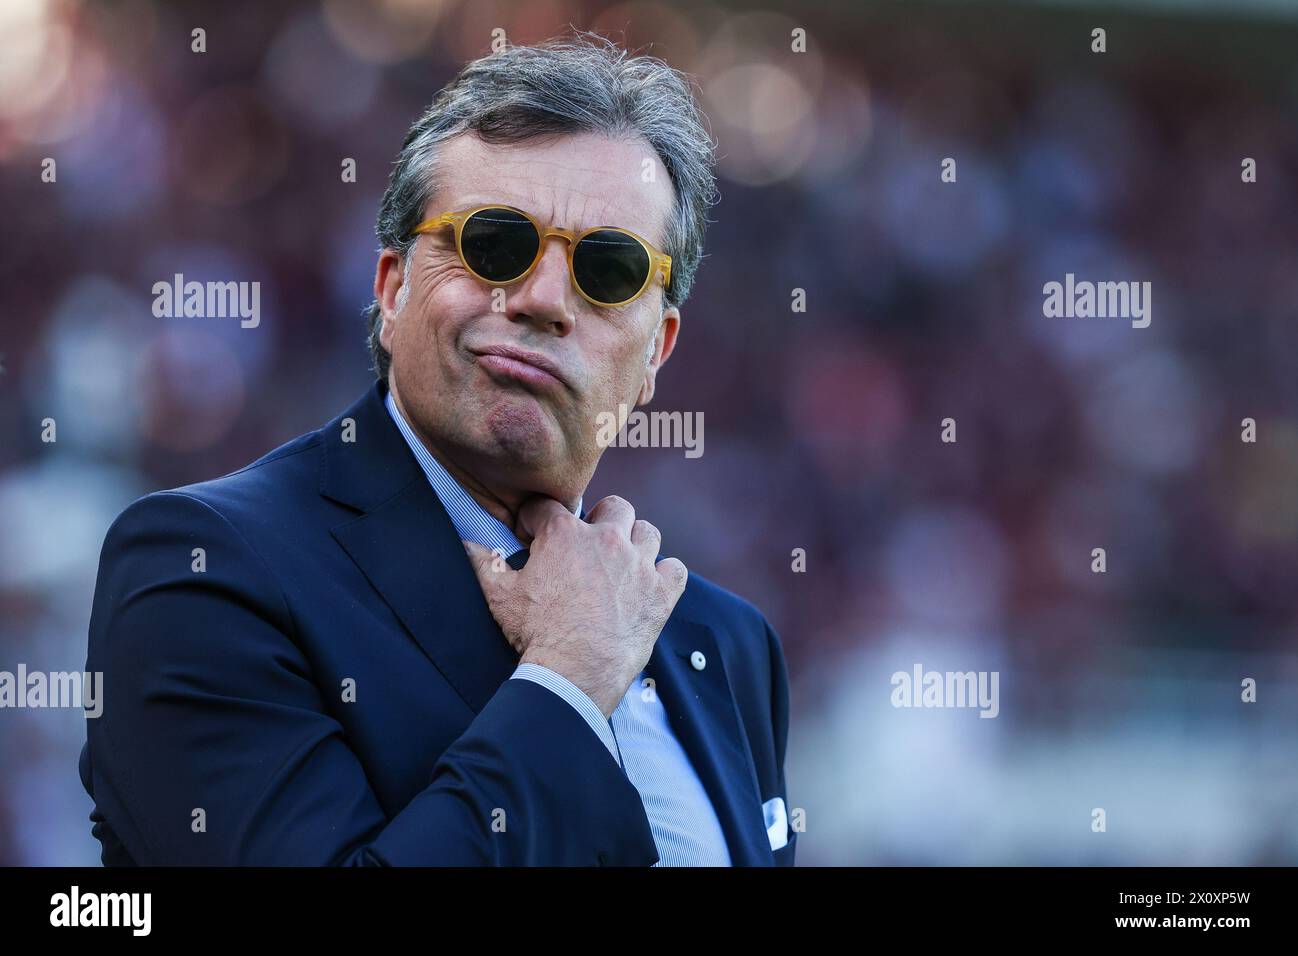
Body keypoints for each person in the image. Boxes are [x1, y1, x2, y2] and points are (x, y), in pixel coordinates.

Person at [80, 34, 794, 866]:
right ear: (392, 288)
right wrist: (570, 679)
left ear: (656, 354)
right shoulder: (204, 568)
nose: (542, 300)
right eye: (496, 244)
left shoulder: (724, 639)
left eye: (608, 269)